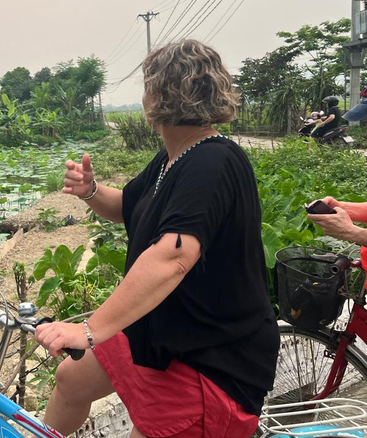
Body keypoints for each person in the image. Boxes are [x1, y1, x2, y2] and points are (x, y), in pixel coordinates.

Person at [35, 39, 280, 438]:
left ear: (158, 96)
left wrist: (89, 330)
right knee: (72, 380)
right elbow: (127, 206)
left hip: (210, 359)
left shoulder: (212, 161)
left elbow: (173, 257)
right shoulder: (175, 156)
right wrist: (92, 190)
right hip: (163, 334)